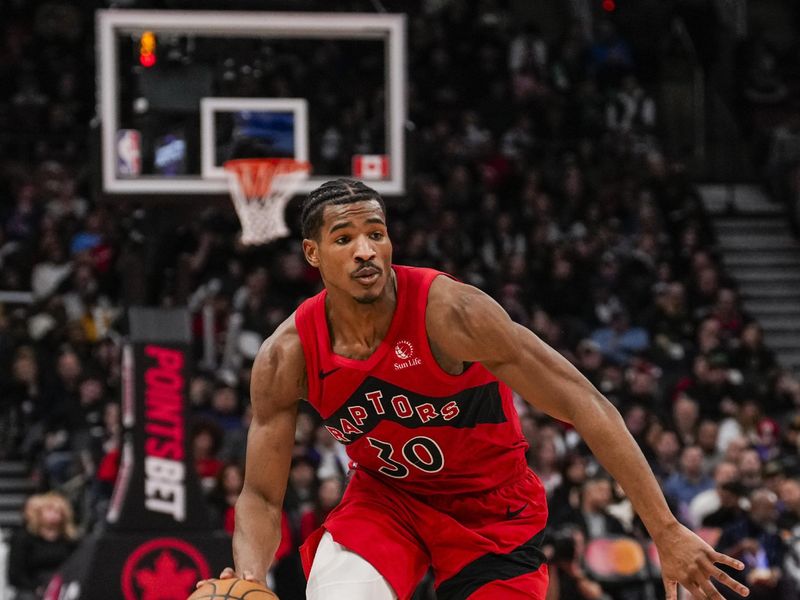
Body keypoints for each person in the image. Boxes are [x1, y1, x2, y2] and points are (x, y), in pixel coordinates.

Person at [205, 180, 749, 599]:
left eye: (376, 232)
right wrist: (248, 577)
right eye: (344, 239)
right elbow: (260, 495)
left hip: (492, 509)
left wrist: (666, 528)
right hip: (387, 502)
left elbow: (586, 403)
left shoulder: (453, 313)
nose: (366, 250)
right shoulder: (288, 355)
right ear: (313, 254)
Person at [7, 492, 80, 600]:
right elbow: (15, 575)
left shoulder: (70, 540)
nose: (54, 515)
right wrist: (36, 588)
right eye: (50, 510)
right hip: (33, 588)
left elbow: (77, 567)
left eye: (59, 512)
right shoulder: (24, 538)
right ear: (39, 513)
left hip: (64, 587)